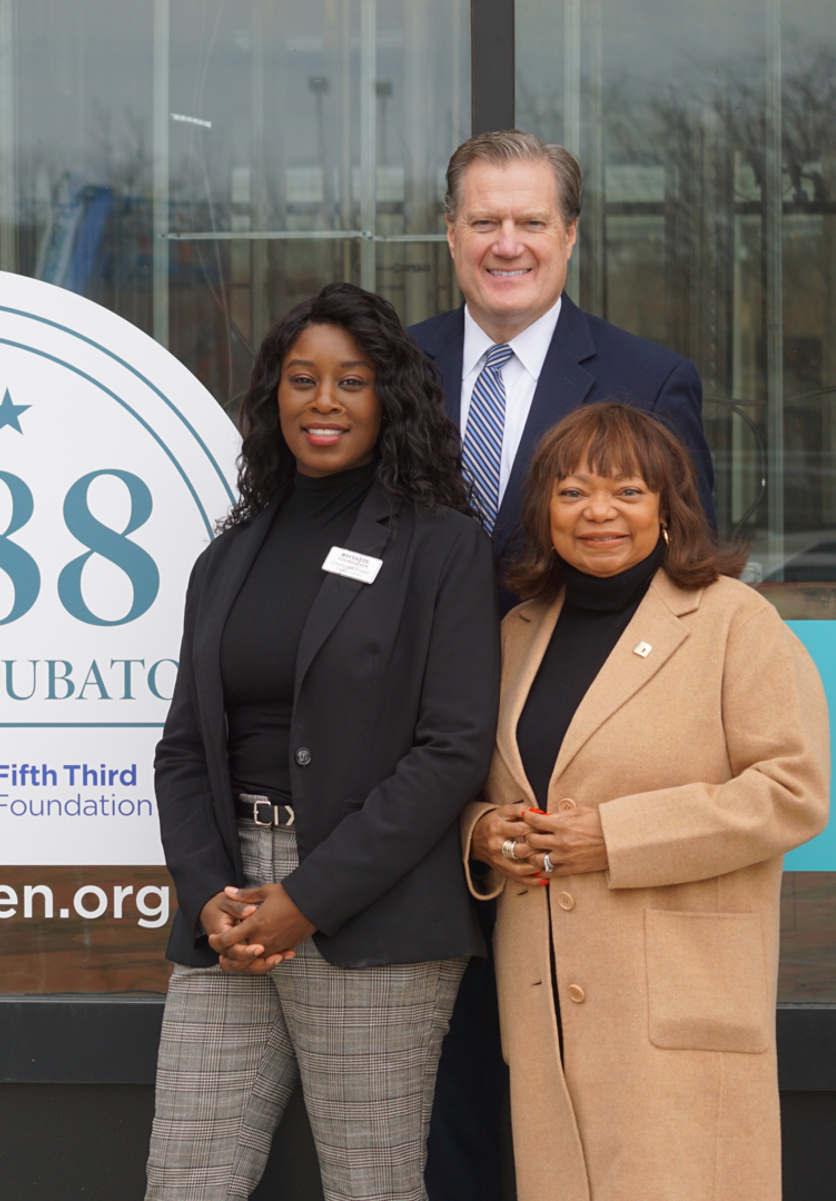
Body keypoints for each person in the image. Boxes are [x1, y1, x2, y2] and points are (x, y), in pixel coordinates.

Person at [410, 129, 718, 1200]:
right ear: (449, 234)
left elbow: (682, 597)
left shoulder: (646, 378)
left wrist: (621, 817)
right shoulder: (390, 376)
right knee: (443, 1096)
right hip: (422, 810)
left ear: (571, 236)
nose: (507, 244)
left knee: (586, 1103)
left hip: (573, 817)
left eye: (530, 221)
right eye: (484, 221)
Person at [146, 282, 500, 1200]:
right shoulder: (229, 554)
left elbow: (452, 750)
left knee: (371, 1185)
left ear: (391, 397)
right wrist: (207, 893)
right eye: (302, 380)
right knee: (185, 1178)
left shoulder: (443, 547)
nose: (324, 401)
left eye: (352, 380)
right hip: (229, 906)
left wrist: (307, 896)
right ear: (274, 398)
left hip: (368, 911)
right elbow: (186, 746)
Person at [463, 402, 827, 1201]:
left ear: (668, 507)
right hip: (547, 1011)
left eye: (627, 490)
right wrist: (486, 832)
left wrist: (616, 837)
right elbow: (479, 786)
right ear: (543, 512)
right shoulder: (516, 633)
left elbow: (793, 791)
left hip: (679, 1015)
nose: (599, 512)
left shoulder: (737, 621)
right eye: (573, 492)